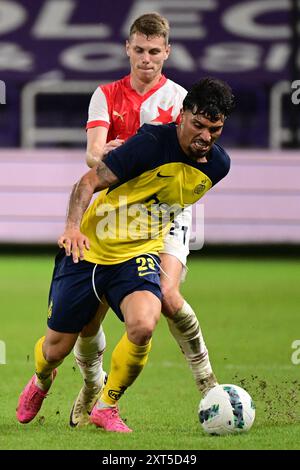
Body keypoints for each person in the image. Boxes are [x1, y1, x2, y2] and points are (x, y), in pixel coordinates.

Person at [16, 77, 235, 433]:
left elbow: (170, 201)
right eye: (198, 125)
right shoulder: (148, 144)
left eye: (215, 129)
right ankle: (42, 378)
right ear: (182, 116)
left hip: (136, 256)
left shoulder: (218, 167)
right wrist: (72, 227)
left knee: (144, 323)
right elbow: (87, 182)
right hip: (89, 249)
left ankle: (107, 405)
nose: (206, 137)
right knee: (56, 349)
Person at [69, 12, 219, 428]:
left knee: (168, 296)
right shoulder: (105, 95)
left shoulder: (179, 98)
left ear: (166, 52)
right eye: (139, 50)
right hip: (114, 211)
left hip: (164, 209)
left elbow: (187, 150)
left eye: (155, 51)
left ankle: (208, 384)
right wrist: (111, 154)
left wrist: (127, 150)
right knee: (86, 318)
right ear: (128, 49)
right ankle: (91, 385)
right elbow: (93, 154)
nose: (147, 59)